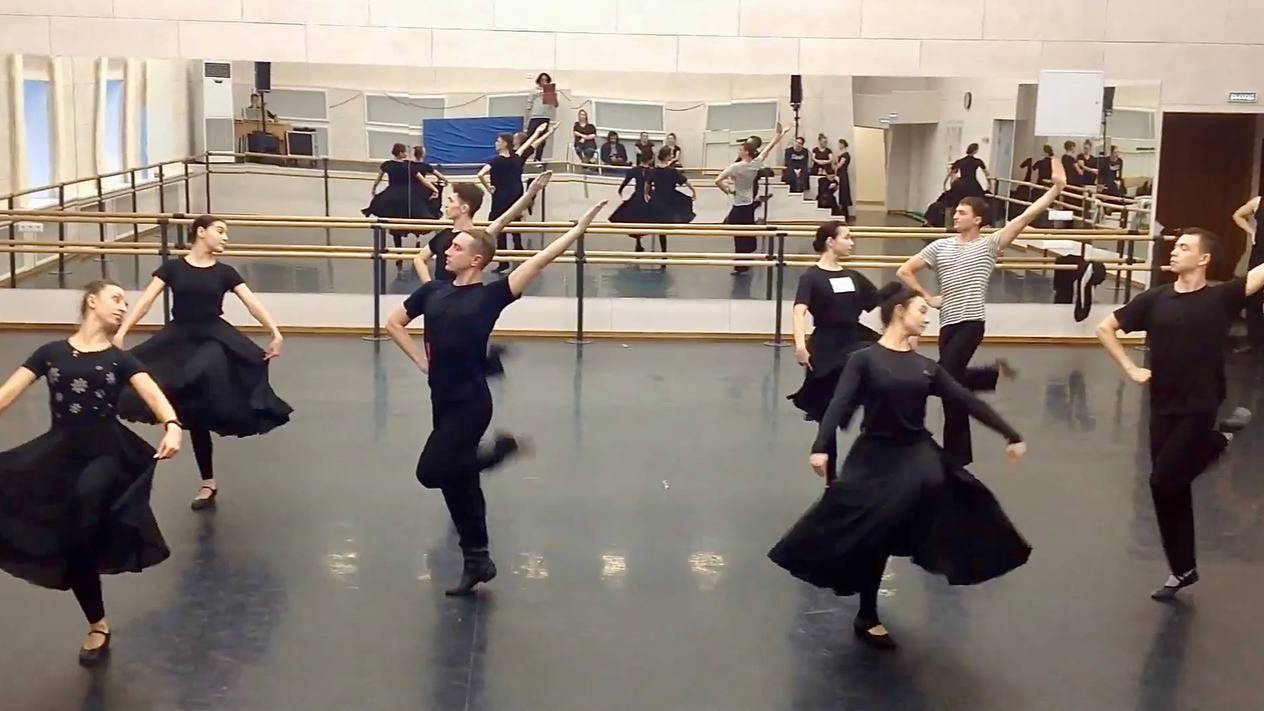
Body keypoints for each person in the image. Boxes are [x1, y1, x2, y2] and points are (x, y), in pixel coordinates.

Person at [769, 282, 1031, 650]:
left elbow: (966, 400)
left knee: (937, 485)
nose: (927, 318)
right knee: (865, 525)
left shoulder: (925, 367)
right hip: (874, 453)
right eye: (921, 310)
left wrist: (1011, 434)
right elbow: (840, 404)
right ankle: (867, 613)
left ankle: (928, 542)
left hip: (915, 450)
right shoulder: (864, 360)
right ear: (899, 312)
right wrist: (820, 447)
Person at [384, 174, 606, 596]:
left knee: (432, 472)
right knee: (459, 484)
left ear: (476, 261)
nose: (447, 249)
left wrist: (576, 231)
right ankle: (478, 560)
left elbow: (538, 262)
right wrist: (420, 360)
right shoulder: (432, 292)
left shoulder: (490, 297)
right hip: (441, 399)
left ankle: (497, 452)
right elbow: (394, 323)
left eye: (456, 247)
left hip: (470, 403)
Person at [0, 280, 182, 665]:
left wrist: (172, 424)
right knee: (74, 540)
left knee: (85, 506)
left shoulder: (119, 359)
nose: (122, 307)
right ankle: (97, 623)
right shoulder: (50, 353)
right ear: (92, 301)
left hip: (106, 452)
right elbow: (8, 393)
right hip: (60, 452)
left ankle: (97, 542)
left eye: (126, 302)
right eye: (116, 299)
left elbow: (152, 393)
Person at [1096, 228, 1264, 599]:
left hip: (1200, 405)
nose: (1174, 251)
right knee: (1172, 488)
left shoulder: (1221, 297)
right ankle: (1182, 570)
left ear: (1203, 259)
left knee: (1162, 480)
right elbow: (1105, 328)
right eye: (1175, 246)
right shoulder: (1155, 299)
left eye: (1184, 247)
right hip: (1163, 406)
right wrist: (1131, 368)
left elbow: (1259, 274)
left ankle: (1218, 439)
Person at [897, 154, 1067, 466]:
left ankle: (954, 455)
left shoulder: (988, 245)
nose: (956, 216)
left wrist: (1055, 189)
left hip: (971, 322)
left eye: (962, 212)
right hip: (947, 323)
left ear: (977, 220)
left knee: (945, 378)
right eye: (957, 211)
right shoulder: (940, 246)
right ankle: (988, 379)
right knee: (952, 385)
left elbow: (1024, 217)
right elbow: (905, 270)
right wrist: (928, 297)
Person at [114, 215, 293, 509]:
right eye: (220, 231)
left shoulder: (225, 272)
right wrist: (122, 332)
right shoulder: (172, 268)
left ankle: (207, 472)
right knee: (191, 413)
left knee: (203, 371)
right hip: (179, 337)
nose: (225, 238)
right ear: (200, 232)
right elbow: (145, 302)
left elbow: (251, 303)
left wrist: (275, 331)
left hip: (213, 338)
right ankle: (207, 482)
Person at [787, 222, 879, 482]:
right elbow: (799, 311)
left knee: (874, 391)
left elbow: (880, 301)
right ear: (830, 241)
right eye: (846, 237)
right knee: (828, 411)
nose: (851, 243)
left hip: (855, 339)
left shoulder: (853, 276)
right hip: (826, 346)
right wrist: (800, 345)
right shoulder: (811, 277)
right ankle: (832, 479)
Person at [477, 123, 557, 272]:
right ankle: (518, 250)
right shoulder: (517, 156)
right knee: (514, 222)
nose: (495, 143)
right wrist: (541, 132)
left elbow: (480, 174)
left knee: (499, 226)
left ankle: (504, 261)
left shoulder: (495, 161)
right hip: (515, 193)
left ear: (504, 144)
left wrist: (488, 187)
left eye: (498, 141)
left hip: (501, 196)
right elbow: (530, 144)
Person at [716, 123, 790, 275]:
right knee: (747, 234)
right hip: (748, 206)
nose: (739, 151)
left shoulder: (735, 166)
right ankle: (745, 263)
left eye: (740, 149)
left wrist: (728, 190)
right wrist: (780, 134)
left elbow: (717, 180)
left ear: (746, 152)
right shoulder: (756, 163)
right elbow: (769, 147)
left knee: (739, 237)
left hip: (739, 206)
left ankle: (741, 266)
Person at [414, 182, 486, 284]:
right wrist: (429, 285)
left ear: (464, 208)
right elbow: (419, 258)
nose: (447, 205)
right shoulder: (444, 234)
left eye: (451, 201)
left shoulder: (475, 239)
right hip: (441, 291)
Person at [363, 143, 436, 233]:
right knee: (415, 213)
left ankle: (396, 236)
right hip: (406, 195)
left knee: (390, 214)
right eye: (405, 152)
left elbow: (378, 179)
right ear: (400, 153)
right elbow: (423, 181)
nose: (406, 154)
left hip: (391, 193)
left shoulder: (387, 164)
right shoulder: (408, 166)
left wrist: (374, 188)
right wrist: (434, 189)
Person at [646, 145, 697, 255]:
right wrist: (693, 191)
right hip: (670, 198)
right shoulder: (672, 171)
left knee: (660, 226)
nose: (672, 156)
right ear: (667, 156)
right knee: (667, 223)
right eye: (671, 154)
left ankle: (663, 251)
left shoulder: (654, 171)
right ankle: (664, 252)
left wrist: (646, 194)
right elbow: (686, 181)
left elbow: (647, 183)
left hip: (658, 199)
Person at [1233, 195, 1263, 353]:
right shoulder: (1258, 202)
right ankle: (1254, 341)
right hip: (1260, 255)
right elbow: (1237, 215)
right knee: (1254, 297)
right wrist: (1251, 232)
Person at [609, 149, 655, 252]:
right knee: (650, 217)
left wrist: (621, 190)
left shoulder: (634, 170)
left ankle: (638, 242)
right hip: (648, 196)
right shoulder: (652, 171)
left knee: (635, 218)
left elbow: (625, 181)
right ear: (650, 159)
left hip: (637, 196)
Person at [522, 72, 557, 161]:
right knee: (529, 137)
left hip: (545, 117)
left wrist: (551, 95)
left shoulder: (550, 91)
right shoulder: (534, 91)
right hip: (535, 117)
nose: (544, 82)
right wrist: (526, 120)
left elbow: (555, 105)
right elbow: (528, 105)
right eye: (542, 80)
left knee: (542, 139)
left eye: (546, 80)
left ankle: (538, 159)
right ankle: (523, 157)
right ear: (539, 81)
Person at [834, 138, 854, 219]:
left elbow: (839, 165)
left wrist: (835, 171)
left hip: (842, 174)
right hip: (841, 174)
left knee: (843, 192)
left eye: (839, 144)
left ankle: (844, 213)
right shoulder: (842, 154)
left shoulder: (845, 155)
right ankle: (842, 211)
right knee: (840, 192)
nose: (838, 145)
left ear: (843, 144)